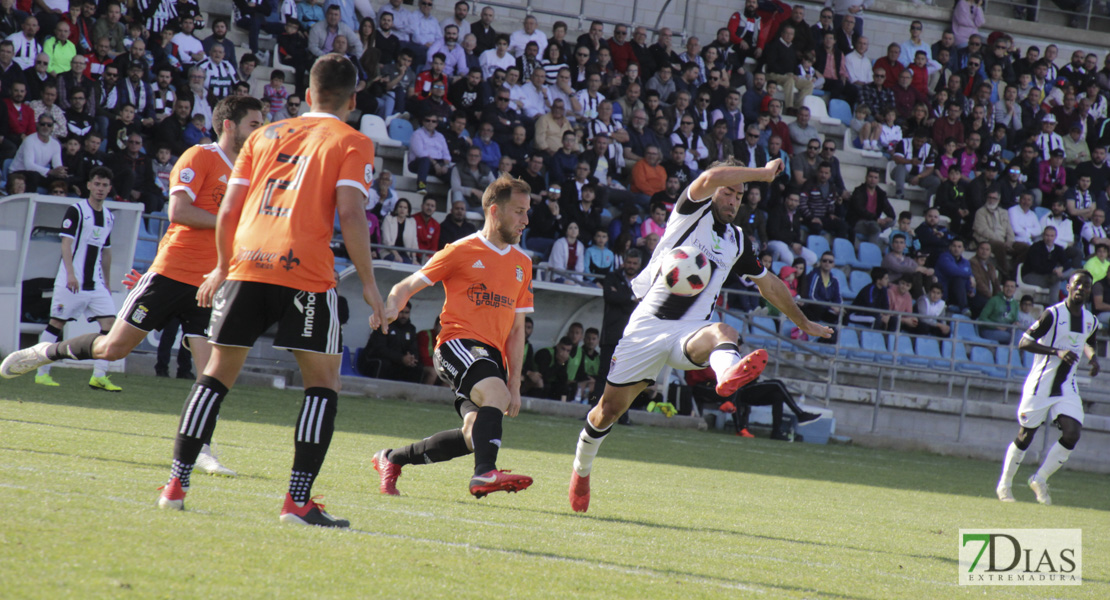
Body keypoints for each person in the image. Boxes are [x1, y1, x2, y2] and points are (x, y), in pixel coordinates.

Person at [147, 54, 382, 527]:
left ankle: (175, 483)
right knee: (322, 384)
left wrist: (220, 267)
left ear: (306, 93)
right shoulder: (353, 141)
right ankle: (297, 502)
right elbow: (352, 214)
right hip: (306, 274)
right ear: (353, 100)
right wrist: (373, 288)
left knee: (215, 374)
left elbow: (230, 208)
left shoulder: (262, 135)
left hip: (247, 266)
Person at [2, 94, 265, 468]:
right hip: (171, 274)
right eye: (254, 124)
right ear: (229, 125)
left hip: (211, 284)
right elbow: (179, 210)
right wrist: (233, 224)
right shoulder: (199, 157)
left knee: (213, 372)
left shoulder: (250, 172)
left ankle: (202, 449)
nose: (259, 132)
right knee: (113, 349)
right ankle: (45, 353)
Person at [567, 157, 834, 513]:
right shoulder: (689, 212)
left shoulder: (737, 240)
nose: (733, 200)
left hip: (688, 334)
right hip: (647, 327)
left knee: (725, 330)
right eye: (728, 192)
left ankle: (727, 376)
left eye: (740, 195)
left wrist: (803, 322)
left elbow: (769, 284)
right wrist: (762, 174)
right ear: (714, 193)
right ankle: (581, 471)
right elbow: (710, 175)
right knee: (607, 412)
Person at [370, 175, 534, 498]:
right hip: (456, 344)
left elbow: (517, 331)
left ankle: (391, 459)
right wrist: (391, 306)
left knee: (474, 436)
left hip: (489, 359)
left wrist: (514, 383)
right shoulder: (461, 250)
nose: (525, 221)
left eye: (527, 212)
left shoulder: (523, 264)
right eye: (518, 211)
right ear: (494, 212)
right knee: (494, 397)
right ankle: (484, 475)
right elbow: (407, 285)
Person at [1, 166, 118, 390]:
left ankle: (99, 375)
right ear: (89, 185)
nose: (101, 189)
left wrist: (108, 284)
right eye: (97, 184)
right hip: (71, 281)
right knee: (56, 323)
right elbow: (66, 243)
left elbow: (107, 251)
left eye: (105, 185)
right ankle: (41, 371)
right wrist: (71, 274)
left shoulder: (109, 217)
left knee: (110, 326)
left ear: (109, 188)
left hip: (96, 284)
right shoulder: (77, 210)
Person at [996, 271, 1099, 505]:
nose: (1082, 288)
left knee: (1072, 433)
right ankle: (1004, 485)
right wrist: (1056, 352)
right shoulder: (1052, 314)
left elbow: (1089, 342)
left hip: (1067, 387)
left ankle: (1039, 478)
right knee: (1025, 436)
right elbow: (1024, 342)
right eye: (1078, 284)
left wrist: (1093, 359)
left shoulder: (1091, 320)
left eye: (1086, 285)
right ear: (1069, 286)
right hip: (1041, 385)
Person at [360, 301, 421, 382]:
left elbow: (414, 348)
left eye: (406, 313)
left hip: (398, 362)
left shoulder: (411, 329)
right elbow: (380, 349)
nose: (404, 316)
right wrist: (401, 358)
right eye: (401, 312)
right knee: (385, 364)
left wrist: (412, 359)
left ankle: (407, 394)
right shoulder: (383, 324)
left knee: (417, 367)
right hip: (375, 360)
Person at [978, 279, 1019, 343]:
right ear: (1003, 288)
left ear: (1015, 289)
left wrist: (1016, 322)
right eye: (1007, 286)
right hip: (989, 330)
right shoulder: (994, 300)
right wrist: (997, 326)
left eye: (1012, 287)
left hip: (1006, 329)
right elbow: (982, 318)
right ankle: (1012, 352)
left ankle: (1015, 352)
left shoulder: (1015, 304)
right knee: (1010, 337)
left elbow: (1015, 319)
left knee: (1020, 334)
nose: (1009, 289)